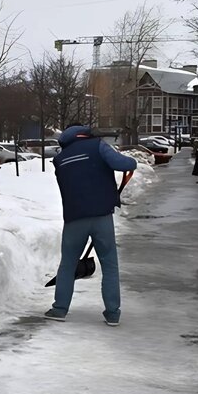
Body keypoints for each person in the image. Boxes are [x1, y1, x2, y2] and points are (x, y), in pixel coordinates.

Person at [47, 124, 137, 326]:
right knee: (109, 264)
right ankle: (113, 313)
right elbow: (123, 164)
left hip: (74, 219)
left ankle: (59, 309)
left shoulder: (59, 159)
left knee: (67, 265)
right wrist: (132, 161)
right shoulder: (97, 146)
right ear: (85, 135)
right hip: (101, 216)